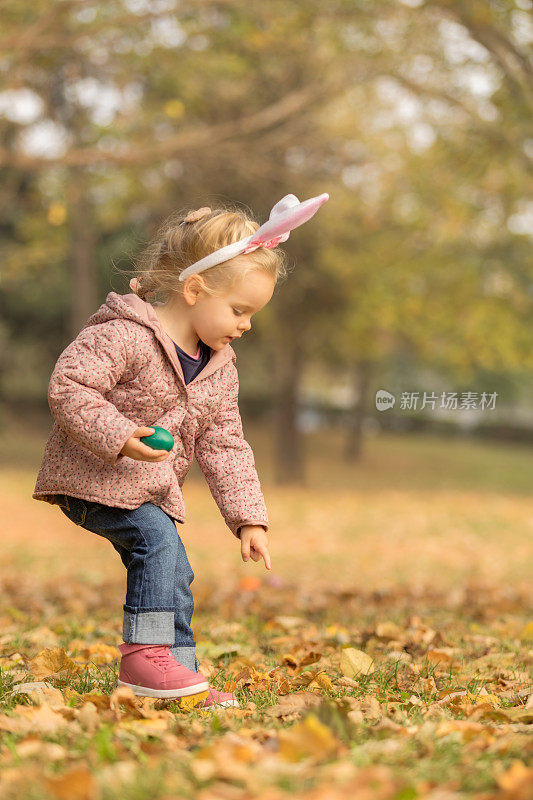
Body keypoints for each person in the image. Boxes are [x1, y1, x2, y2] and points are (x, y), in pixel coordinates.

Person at [32, 192, 329, 709]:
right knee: (159, 546)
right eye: (239, 310)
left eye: (252, 314)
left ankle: (180, 674)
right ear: (194, 289)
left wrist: (248, 518)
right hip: (91, 477)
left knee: (174, 568)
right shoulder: (127, 335)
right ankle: (144, 655)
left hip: (146, 491)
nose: (246, 325)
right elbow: (69, 386)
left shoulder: (219, 368)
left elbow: (226, 443)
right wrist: (119, 435)